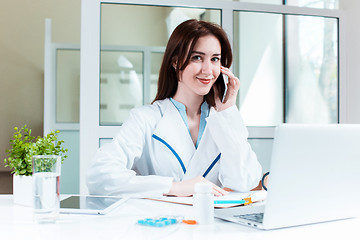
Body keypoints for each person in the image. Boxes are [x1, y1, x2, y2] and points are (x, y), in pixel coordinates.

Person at [86, 19, 262, 198]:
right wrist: (175, 188)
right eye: (197, 57)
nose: (208, 70)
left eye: (215, 59)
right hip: (160, 223)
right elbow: (100, 176)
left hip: (213, 224)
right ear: (176, 62)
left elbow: (245, 182)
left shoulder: (223, 120)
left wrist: (228, 112)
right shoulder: (146, 118)